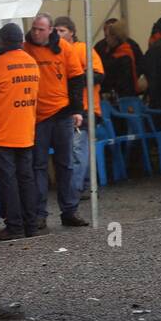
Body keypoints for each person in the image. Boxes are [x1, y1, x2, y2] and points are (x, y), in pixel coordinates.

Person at [0, 23, 41, 241]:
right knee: (26, 180)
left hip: (1, 134)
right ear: (21, 40)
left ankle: (14, 226)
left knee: (8, 182)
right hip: (26, 131)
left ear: (1, 42)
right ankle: (31, 224)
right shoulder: (32, 63)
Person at [23, 13, 87, 228]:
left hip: (61, 114)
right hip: (37, 117)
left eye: (40, 29)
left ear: (50, 30)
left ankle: (69, 210)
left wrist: (77, 110)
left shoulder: (64, 49)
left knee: (65, 164)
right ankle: (40, 214)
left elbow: (77, 79)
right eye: (34, 28)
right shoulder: (25, 48)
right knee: (38, 166)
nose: (36, 32)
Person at [53, 16, 104, 202]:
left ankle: (74, 190)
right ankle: (87, 185)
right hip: (71, 108)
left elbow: (99, 74)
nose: (58, 34)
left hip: (86, 107)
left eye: (62, 30)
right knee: (81, 149)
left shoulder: (82, 49)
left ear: (72, 32)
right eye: (56, 31)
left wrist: (74, 80)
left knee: (77, 150)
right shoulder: (58, 51)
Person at [96, 19, 143, 98]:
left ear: (114, 37)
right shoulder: (127, 49)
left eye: (107, 37)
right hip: (125, 94)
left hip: (121, 96)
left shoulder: (121, 56)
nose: (106, 40)